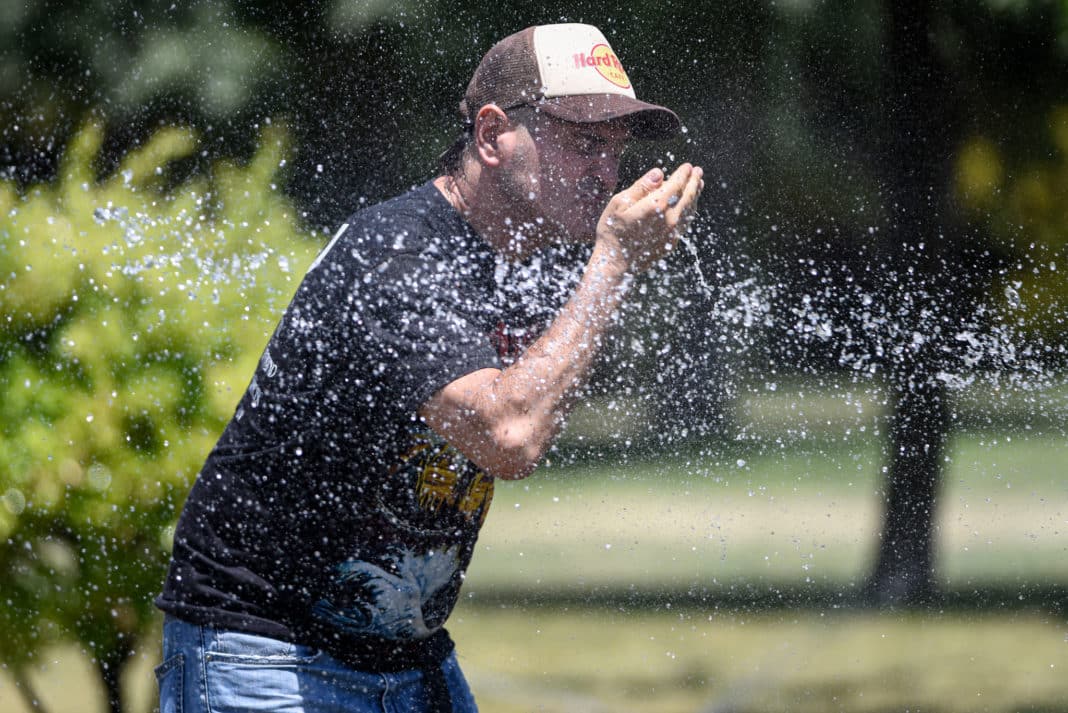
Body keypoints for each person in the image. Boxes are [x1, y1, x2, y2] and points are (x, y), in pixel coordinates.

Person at [155, 22, 703, 713]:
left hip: (406, 659)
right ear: (492, 133)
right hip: (265, 651)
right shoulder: (400, 257)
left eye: (615, 150)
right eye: (585, 142)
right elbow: (509, 437)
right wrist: (614, 263)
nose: (605, 172)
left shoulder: (526, 263)